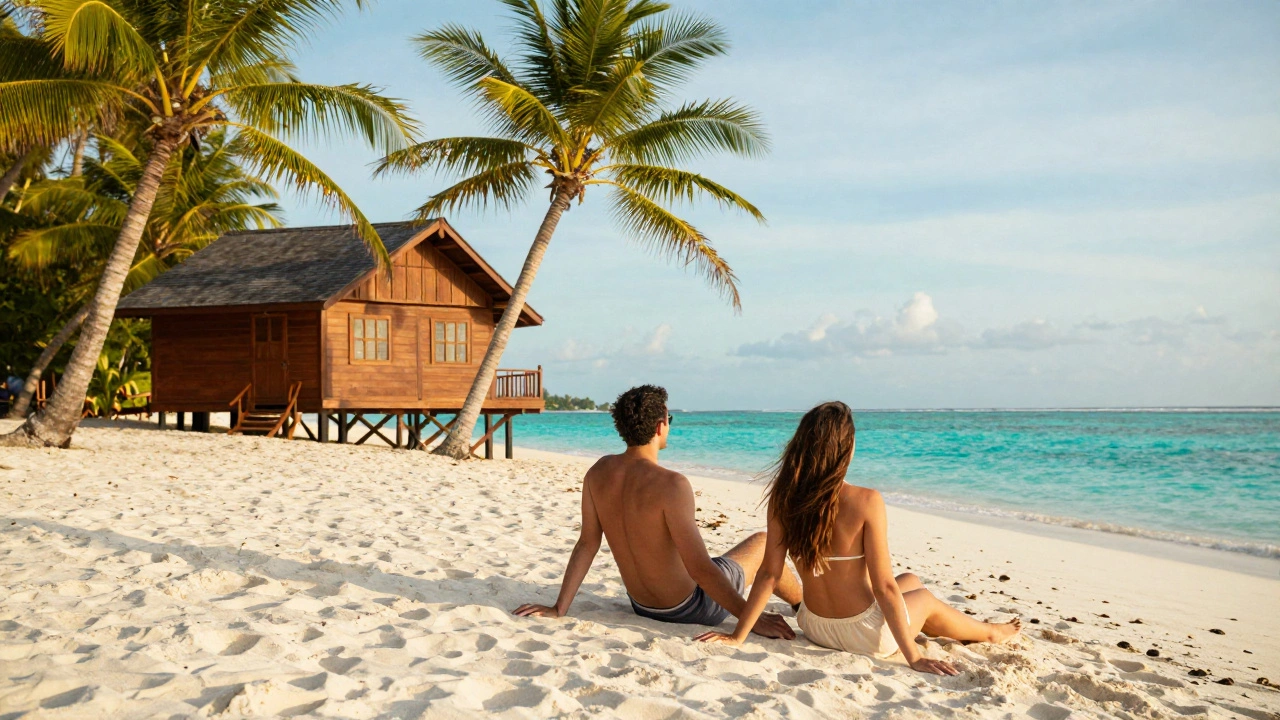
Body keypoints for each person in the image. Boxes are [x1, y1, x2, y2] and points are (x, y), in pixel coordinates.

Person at [695, 401, 1020, 675]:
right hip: (865, 635)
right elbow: (883, 587)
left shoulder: (785, 497)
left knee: (910, 579)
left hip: (815, 626)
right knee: (924, 598)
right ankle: (991, 633)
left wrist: (739, 635)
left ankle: (941, 630)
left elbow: (769, 575)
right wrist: (914, 658)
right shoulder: (866, 501)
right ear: (845, 450)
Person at [514, 384, 803, 639]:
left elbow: (587, 543)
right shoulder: (672, 484)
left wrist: (559, 607)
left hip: (643, 606)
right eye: (670, 419)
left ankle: (800, 604)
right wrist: (751, 619)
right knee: (764, 543)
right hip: (691, 607)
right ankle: (803, 606)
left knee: (724, 562)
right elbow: (700, 569)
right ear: (660, 426)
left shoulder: (597, 473)